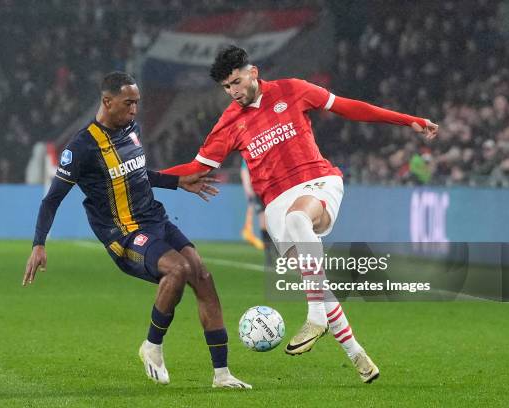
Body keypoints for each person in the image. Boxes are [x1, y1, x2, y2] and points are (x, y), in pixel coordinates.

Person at [162, 46, 439, 383]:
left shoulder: (292, 90)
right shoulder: (229, 123)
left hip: (317, 183)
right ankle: (357, 355)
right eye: (226, 87)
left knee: (299, 224)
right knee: (316, 280)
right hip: (275, 204)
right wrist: (145, 179)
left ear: (253, 71)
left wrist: (406, 119)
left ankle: (315, 316)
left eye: (236, 81)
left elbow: (349, 108)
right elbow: (196, 168)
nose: (233, 91)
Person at [23, 71, 251, 389]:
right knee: (178, 270)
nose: (134, 109)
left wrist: (176, 181)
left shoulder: (131, 129)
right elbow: (51, 200)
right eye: (128, 103)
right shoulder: (82, 147)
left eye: (137, 103)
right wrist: (38, 244)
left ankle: (222, 374)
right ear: (107, 101)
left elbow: (138, 173)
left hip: (155, 219)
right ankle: (152, 347)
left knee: (202, 276)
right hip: (124, 235)